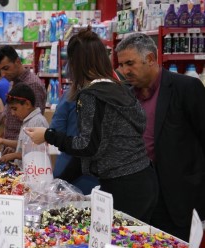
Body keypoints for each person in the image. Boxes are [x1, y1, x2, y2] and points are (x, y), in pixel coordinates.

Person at [24, 27, 158, 224]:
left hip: (123, 186)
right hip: (144, 180)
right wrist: (58, 185)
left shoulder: (91, 96)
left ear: (75, 63)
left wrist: (48, 135)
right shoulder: (119, 89)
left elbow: (87, 146)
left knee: (115, 245)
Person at [115, 33, 205, 241]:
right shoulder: (125, 95)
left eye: (130, 63)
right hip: (139, 195)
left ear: (151, 59)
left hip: (178, 199)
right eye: (121, 65)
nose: (125, 71)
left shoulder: (186, 88)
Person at [0, 45, 46, 154]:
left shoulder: (32, 85)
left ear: (17, 61)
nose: (3, 74)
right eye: (0, 70)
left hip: (22, 153)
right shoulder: (13, 81)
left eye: (6, 68)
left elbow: (34, 124)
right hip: (11, 149)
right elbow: (8, 112)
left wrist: (17, 150)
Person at [0, 83, 49, 165]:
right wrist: (4, 142)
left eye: (14, 109)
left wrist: (14, 155)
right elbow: (25, 144)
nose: (12, 113)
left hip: (34, 174)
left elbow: (36, 153)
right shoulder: (27, 121)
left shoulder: (37, 122)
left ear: (27, 104)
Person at [50, 92, 99, 195]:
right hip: (96, 176)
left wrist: (47, 135)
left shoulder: (71, 94)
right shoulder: (111, 94)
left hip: (68, 168)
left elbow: (57, 129)